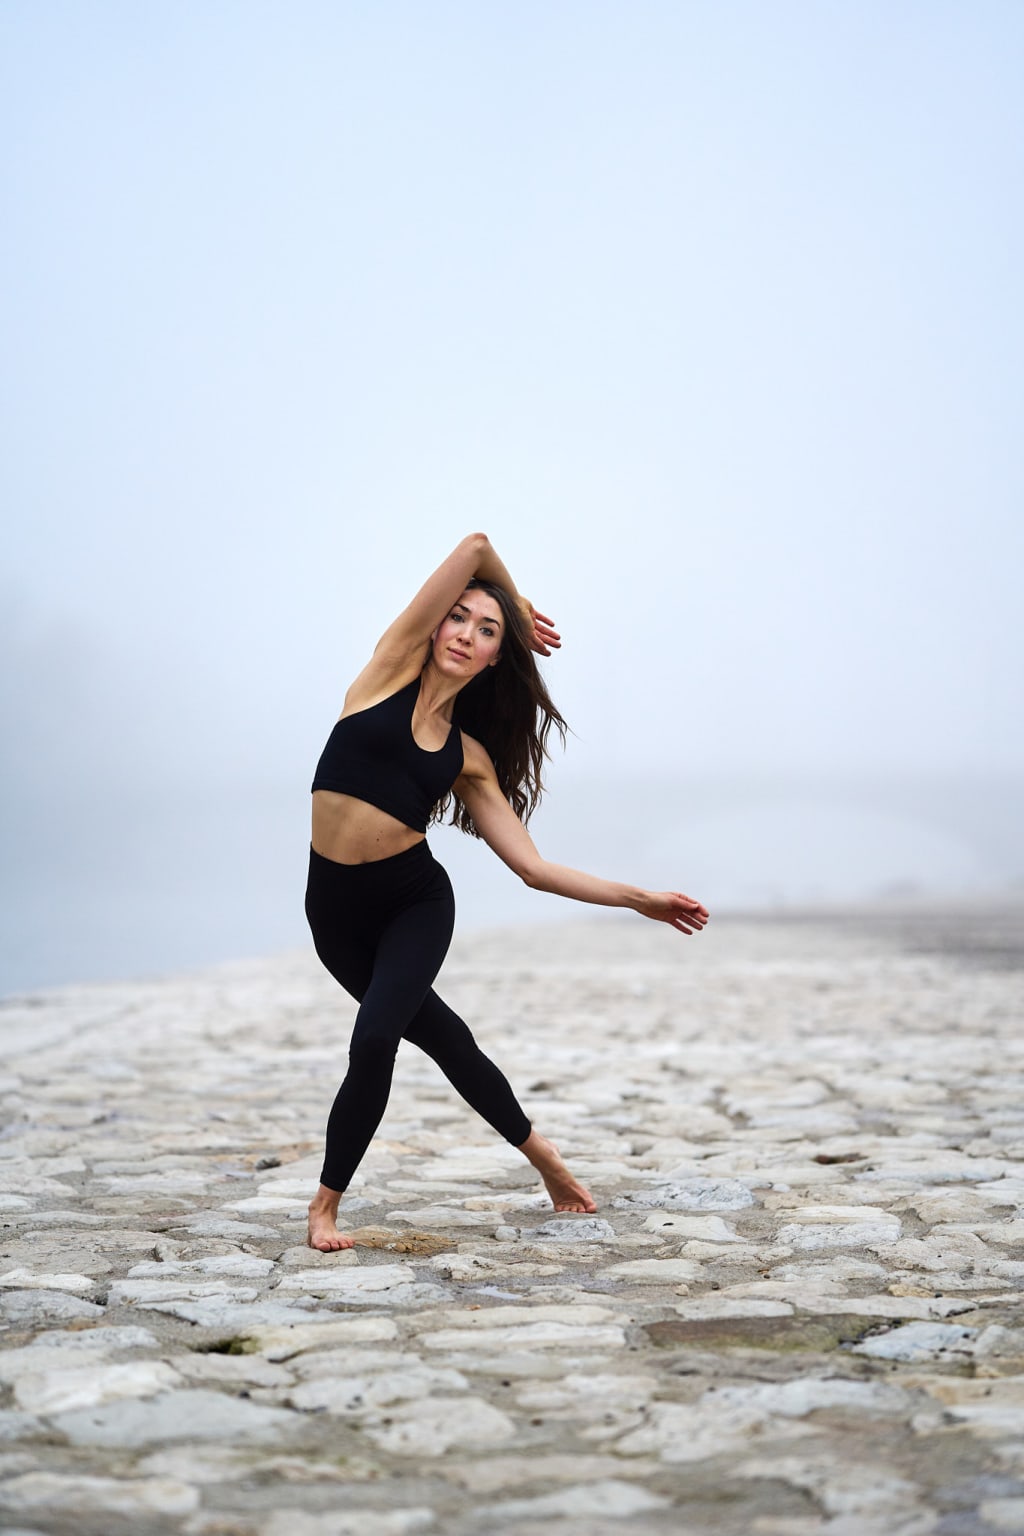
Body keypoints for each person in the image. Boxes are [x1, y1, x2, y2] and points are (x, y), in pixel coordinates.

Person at [305, 533, 708, 1251]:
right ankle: (544, 1155)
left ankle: (325, 1208)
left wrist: (639, 898)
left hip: (413, 905)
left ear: (495, 659)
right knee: (447, 1038)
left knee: (375, 1042)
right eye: (458, 618)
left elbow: (534, 867)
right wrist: (514, 605)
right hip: (333, 913)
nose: (465, 634)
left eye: (487, 631)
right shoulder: (385, 671)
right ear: (434, 627)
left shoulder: (470, 758)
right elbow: (477, 545)